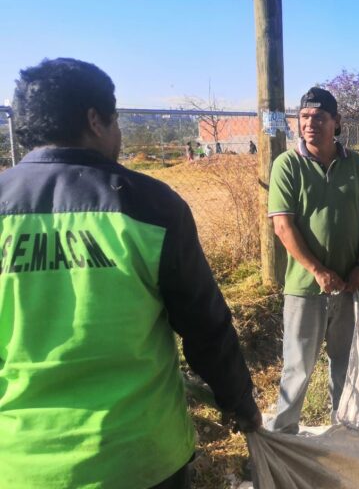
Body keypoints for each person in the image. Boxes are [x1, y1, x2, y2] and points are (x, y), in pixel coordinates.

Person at [0, 58, 261, 488]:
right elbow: (203, 325)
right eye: (116, 119)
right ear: (94, 120)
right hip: (138, 456)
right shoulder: (150, 205)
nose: (119, 133)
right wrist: (239, 401)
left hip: (20, 465)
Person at [267, 87, 359, 434]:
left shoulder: (356, 164)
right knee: (297, 368)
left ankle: (344, 433)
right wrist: (317, 270)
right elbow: (282, 226)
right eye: (304, 117)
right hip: (304, 289)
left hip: (347, 285)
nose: (310, 123)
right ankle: (284, 437)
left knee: (345, 366)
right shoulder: (287, 165)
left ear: (336, 122)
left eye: (319, 117)